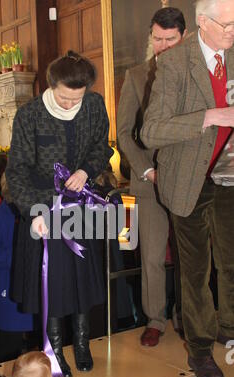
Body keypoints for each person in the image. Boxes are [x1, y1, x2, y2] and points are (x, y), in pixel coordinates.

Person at [141, 0, 234, 377]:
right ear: (202, 22)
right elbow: (151, 131)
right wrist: (209, 117)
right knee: (196, 272)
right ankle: (199, 350)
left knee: (232, 263)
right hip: (189, 183)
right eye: (226, 25)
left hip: (230, 177)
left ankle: (228, 330)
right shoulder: (174, 63)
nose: (232, 31)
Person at [6, 50, 113, 377]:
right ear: (51, 86)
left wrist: (86, 169)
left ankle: (81, 343)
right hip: (42, 208)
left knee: (80, 280)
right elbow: (17, 171)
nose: (70, 104)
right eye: (64, 98)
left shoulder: (94, 105)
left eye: (76, 98)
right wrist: (34, 211)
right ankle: (54, 350)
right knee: (50, 282)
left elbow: (101, 146)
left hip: (79, 205)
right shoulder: (29, 115)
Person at [117, 7, 187, 347]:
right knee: (152, 257)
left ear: (183, 38)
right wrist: (147, 169)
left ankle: (188, 317)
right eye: (157, 39)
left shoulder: (195, 76)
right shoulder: (135, 76)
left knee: (192, 257)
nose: (163, 46)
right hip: (149, 183)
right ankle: (155, 319)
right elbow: (124, 133)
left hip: (188, 181)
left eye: (170, 40)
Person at [0, 174, 35, 362]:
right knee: (9, 346)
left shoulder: (39, 212)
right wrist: (17, 258)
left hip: (36, 287)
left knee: (42, 342)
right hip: (9, 287)